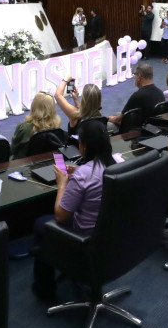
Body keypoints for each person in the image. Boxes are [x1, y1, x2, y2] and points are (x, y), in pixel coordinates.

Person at [31, 119, 115, 300]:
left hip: (85, 238)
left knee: (40, 224)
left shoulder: (83, 175)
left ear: (83, 146)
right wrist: (79, 171)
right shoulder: (115, 165)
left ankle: (45, 290)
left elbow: (60, 216)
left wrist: (62, 184)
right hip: (112, 237)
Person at [107, 63, 165, 128]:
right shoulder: (160, 93)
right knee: (117, 114)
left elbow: (118, 119)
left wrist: (109, 119)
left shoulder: (137, 96)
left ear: (139, 77)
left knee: (108, 124)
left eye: (135, 75)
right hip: (155, 127)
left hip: (141, 131)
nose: (134, 77)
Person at [11, 92, 63, 159]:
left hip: (26, 164)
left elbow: (13, 149)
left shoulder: (24, 127)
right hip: (50, 163)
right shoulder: (57, 127)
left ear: (33, 106)